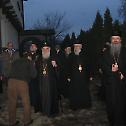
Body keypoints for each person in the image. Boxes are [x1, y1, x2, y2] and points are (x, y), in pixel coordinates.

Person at [101, 31, 126, 126]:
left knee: (123, 104)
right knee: (112, 104)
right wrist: (110, 70)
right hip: (111, 84)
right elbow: (102, 65)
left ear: (121, 40)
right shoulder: (106, 52)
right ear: (111, 41)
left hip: (123, 83)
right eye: (113, 39)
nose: (115, 40)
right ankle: (113, 121)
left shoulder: (124, 51)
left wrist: (124, 73)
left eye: (117, 39)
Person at [8, 52, 37, 126]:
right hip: (22, 83)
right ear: (29, 57)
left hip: (11, 81)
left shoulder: (15, 61)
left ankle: (12, 122)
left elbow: (9, 71)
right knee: (26, 102)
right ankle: (27, 121)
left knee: (12, 102)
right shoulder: (29, 61)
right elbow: (34, 75)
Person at [35, 41, 59, 117]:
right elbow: (36, 70)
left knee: (50, 96)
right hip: (41, 81)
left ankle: (51, 111)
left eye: (47, 48)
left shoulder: (53, 58)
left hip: (50, 82)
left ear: (50, 49)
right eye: (44, 49)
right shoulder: (38, 58)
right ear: (41, 50)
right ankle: (43, 110)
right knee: (42, 96)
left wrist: (55, 66)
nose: (45, 50)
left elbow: (58, 72)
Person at [68, 40, 91, 110]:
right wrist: (68, 76)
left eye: (78, 46)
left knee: (83, 91)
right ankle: (75, 105)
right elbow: (67, 67)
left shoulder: (85, 55)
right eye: (75, 46)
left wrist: (90, 75)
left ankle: (84, 105)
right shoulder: (71, 55)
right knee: (74, 92)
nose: (76, 47)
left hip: (83, 77)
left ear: (81, 46)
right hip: (74, 77)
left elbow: (89, 66)